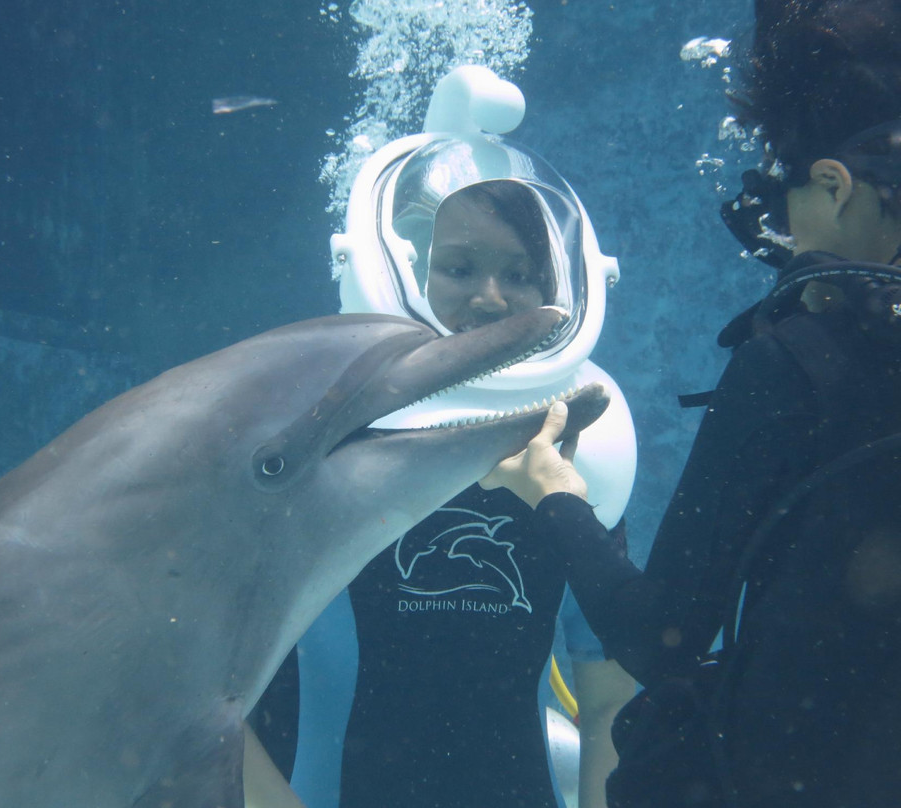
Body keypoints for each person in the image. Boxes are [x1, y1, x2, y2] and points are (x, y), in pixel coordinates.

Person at [481, 2, 901, 806]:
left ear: (836, 185)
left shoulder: (792, 362)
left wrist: (552, 491)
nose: (784, 247)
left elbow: (660, 639)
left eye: (788, 211)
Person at [248, 66, 639, 808]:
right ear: (395, 266)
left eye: (520, 274)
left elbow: (610, 696)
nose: (490, 297)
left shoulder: (579, 439)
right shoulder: (314, 434)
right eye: (458, 268)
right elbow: (210, 691)